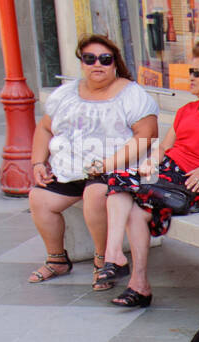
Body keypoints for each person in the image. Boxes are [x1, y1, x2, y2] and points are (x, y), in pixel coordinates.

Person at [98, 42, 199, 308]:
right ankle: (134, 279)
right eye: (190, 71)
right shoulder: (186, 111)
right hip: (167, 175)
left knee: (121, 183)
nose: (190, 77)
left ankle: (115, 259)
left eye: (197, 73)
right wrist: (151, 162)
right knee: (129, 201)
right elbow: (164, 147)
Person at [27, 35, 158, 287]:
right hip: (71, 169)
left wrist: (106, 165)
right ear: (82, 62)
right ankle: (57, 260)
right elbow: (44, 128)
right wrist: (38, 163)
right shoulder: (66, 93)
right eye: (90, 58)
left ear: (114, 63)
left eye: (104, 59)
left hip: (116, 171)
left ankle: (103, 260)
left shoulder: (131, 95)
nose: (97, 64)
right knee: (39, 198)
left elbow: (147, 136)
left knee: (96, 194)